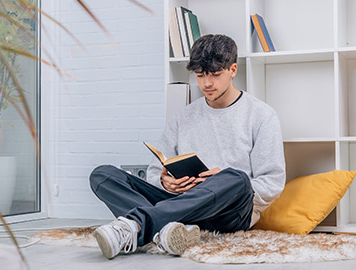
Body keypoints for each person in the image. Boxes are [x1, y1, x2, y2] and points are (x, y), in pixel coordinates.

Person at [89, 34, 286, 260]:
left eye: (215, 75)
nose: (207, 84)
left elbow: (272, 183)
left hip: (228, 214)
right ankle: (166, 232)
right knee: (102, 175)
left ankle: (137, 225)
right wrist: (165, 183)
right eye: (200, 76)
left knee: (236, 178)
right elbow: (155, 171)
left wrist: (217, 183)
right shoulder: (182, 118)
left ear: (233, 70)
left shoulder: (262, 116)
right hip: (178, 206)